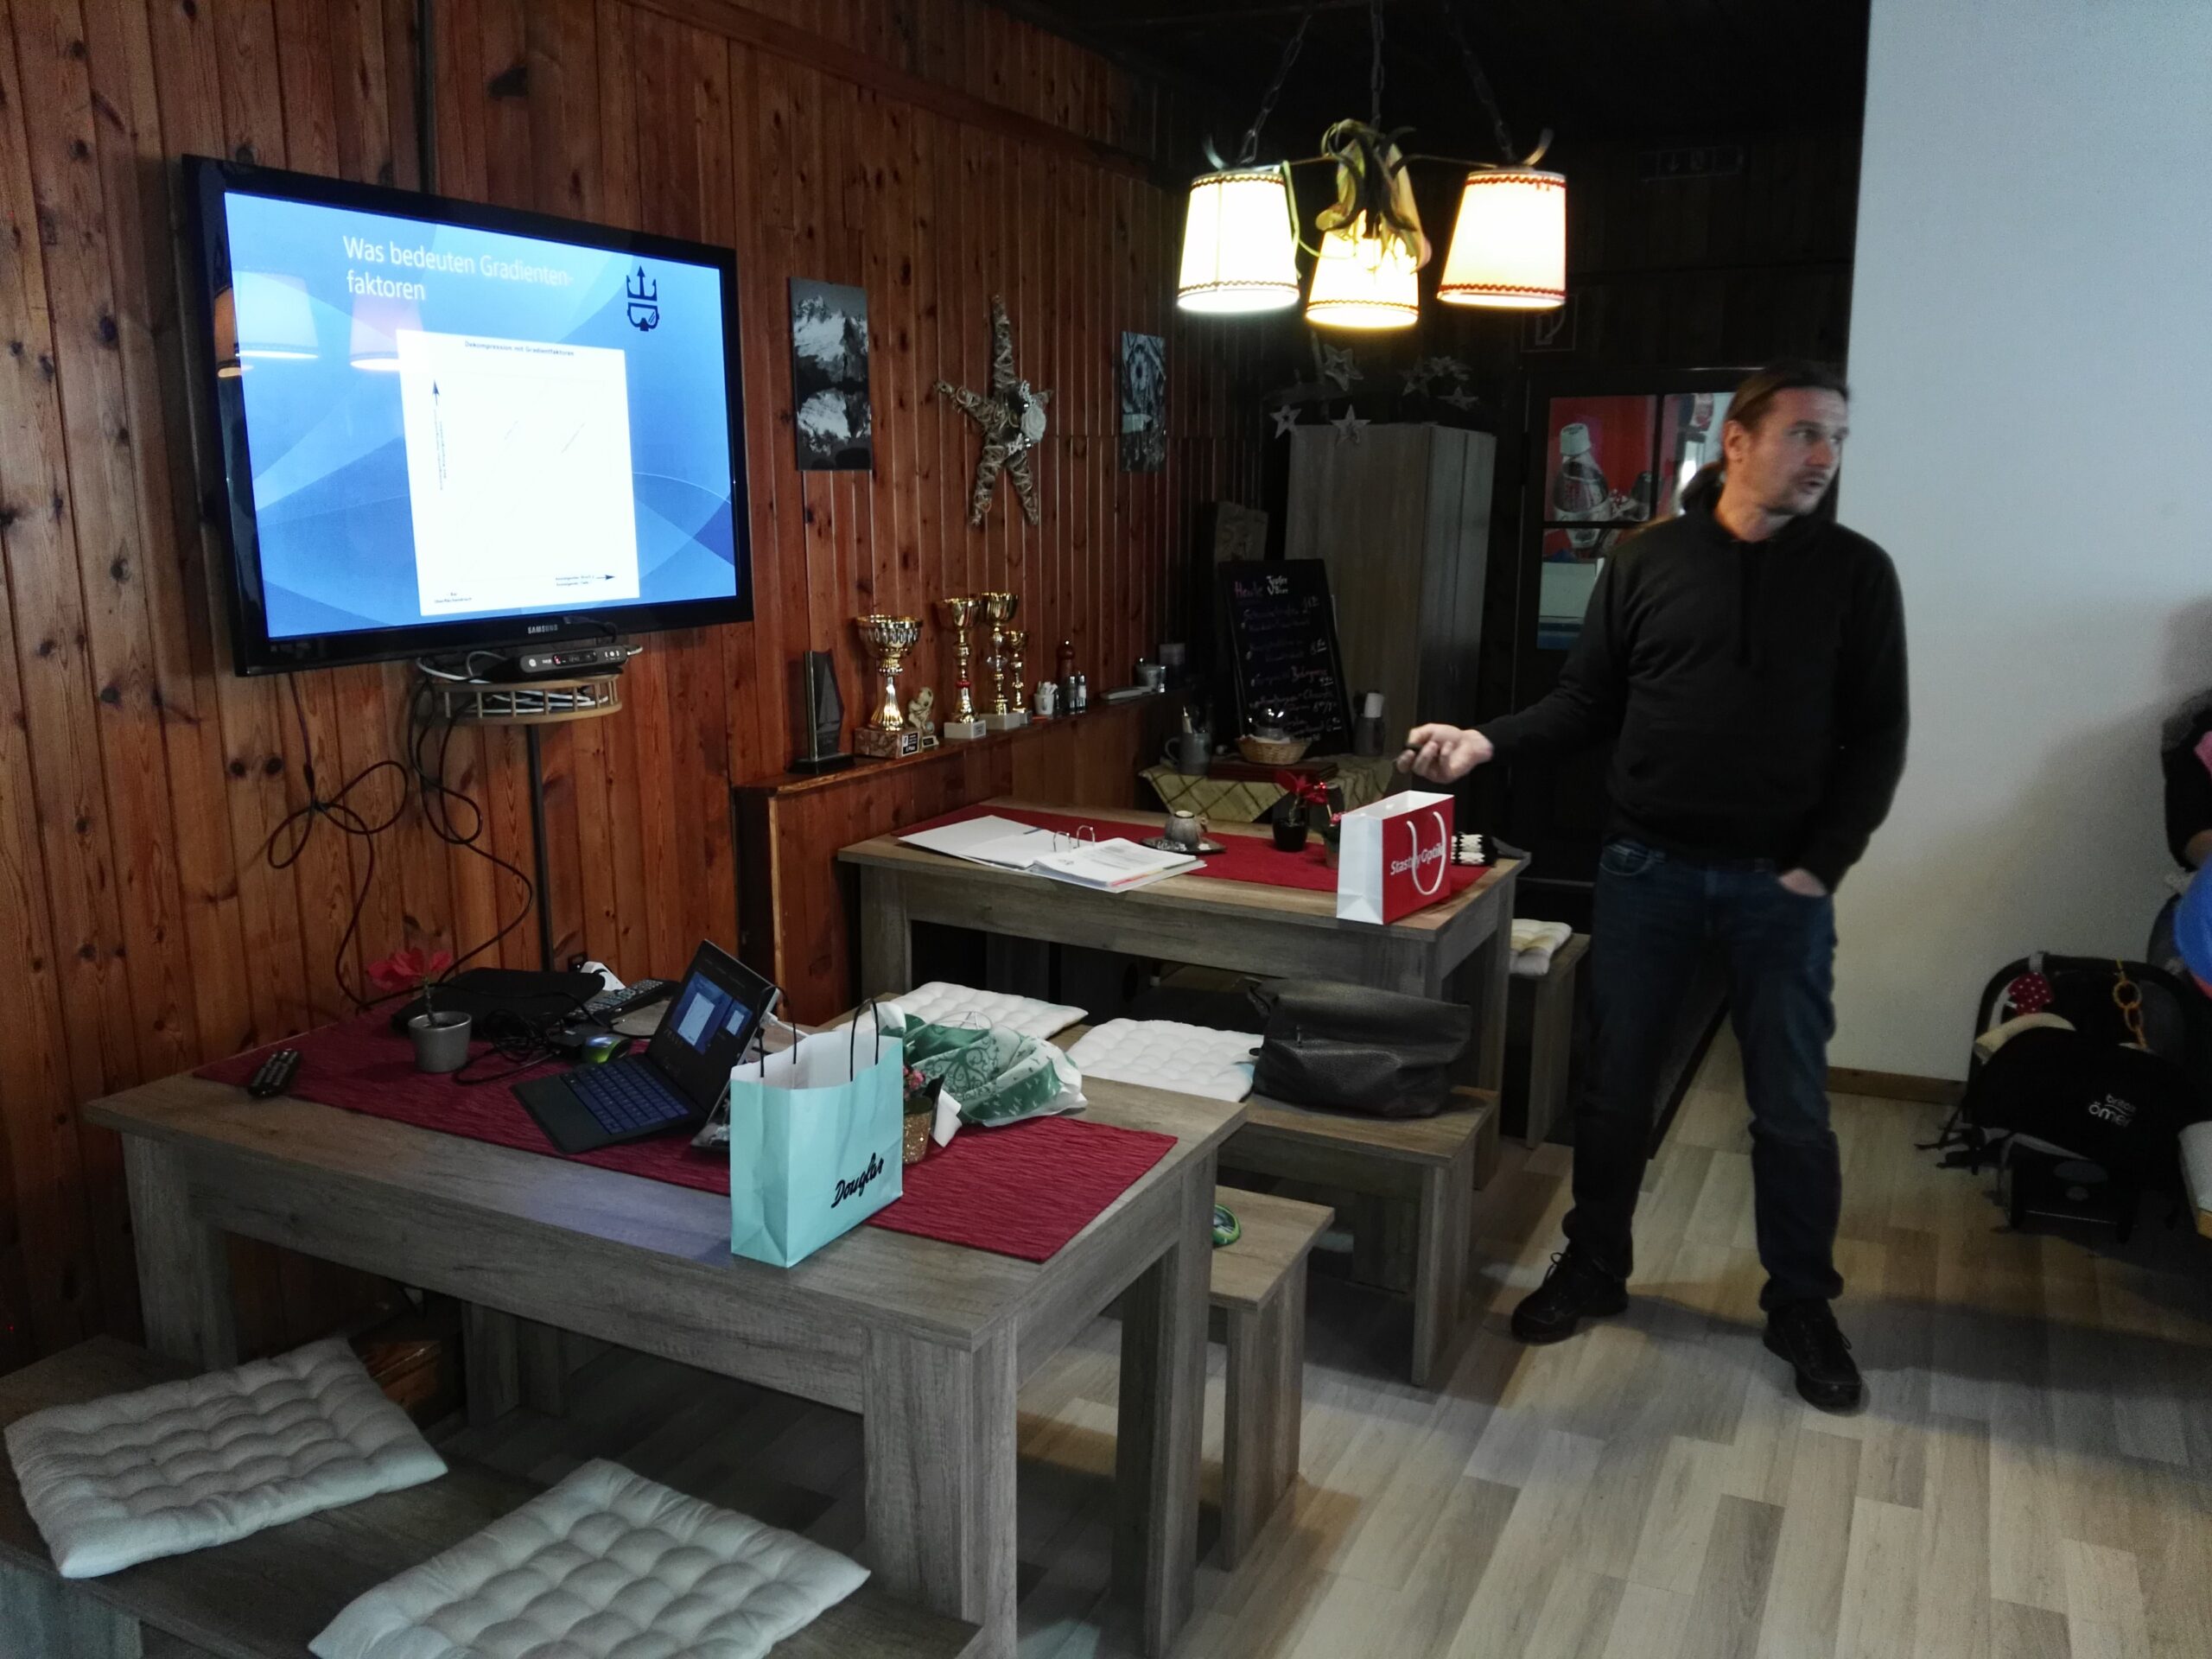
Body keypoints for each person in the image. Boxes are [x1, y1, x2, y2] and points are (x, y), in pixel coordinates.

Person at [1404, 360, 1908, 1412]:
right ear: (1738, 440)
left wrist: (1822, 862)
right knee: (1614, 1087)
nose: (1824, 456)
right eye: (1805, 432)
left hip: (1780, 887)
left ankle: (1800, 1303)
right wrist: (1484, 741)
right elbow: (1584, 702)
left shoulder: (1857, 574)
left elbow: (1877, 736)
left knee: (1790, 1107)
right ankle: (1595, 1264)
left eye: (1838, 438)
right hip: (1647, 869)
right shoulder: (1645, 560)